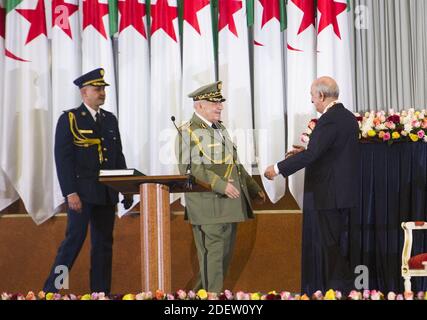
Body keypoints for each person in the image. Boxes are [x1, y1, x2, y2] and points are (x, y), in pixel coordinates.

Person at [264, 76, 360, 294]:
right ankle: (340, 290)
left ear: (322, 96)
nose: (311, 101)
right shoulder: (347, 117)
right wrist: (305, 151)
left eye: (312, 96)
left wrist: (278, 168)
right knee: (336, 245)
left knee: (331, 247)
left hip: (330, 195)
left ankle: (339, 292)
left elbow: (315, 154)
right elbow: (332, 153)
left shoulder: (329, 120)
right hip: (343, 194)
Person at [44, 68, 132, 294]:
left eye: (103, 89)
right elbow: (62, 159)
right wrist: (70, 193)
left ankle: (100, 293)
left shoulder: (110, 119)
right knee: (72, 243)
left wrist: (126, 189)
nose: (102, 92)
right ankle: (51, 290)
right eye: (97, 89)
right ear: (84, 93)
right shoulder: (70, 118)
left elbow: (118, 156)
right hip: (81, 194)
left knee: (103, 246)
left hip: (106, 193)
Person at [176, 81, 266, 293]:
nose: (220, 107)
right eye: (214, 103)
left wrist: (253, 188)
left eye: (220, 103)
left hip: (229, 204)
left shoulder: (219, 128)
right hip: (208, 205)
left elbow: (234, 164)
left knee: (220, 259)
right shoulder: (187, 132)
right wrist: (221, 185)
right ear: (199, 106)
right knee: (213, 258)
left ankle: (201, 297)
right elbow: (191, 169)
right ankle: (212, 299)